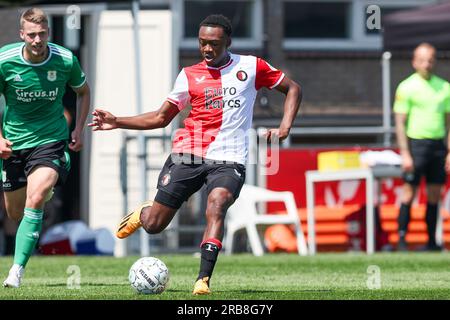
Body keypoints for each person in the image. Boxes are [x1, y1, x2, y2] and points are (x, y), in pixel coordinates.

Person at [89, 14, 301, 294]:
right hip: (189, 152)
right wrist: (117, 121)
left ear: (228, 42)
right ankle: (144, 212)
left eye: (213, 43)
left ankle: (203, 279)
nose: (207, 49)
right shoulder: (189, 75)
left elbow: (293, 89)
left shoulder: (251, 67)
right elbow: (161, 117)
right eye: (202, 43)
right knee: (155, 225)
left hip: (230, 157)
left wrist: (285, 126)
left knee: (217, 203)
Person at [0, 8, 91, 287]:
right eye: (31, 35)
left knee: (36, 196)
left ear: (48, 33)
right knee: (15, 214)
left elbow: (83, 92)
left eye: (42, 34)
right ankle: (39, 193)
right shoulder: (5, 60)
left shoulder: (64, 59)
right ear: (22, 35)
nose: (37, 40)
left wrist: (78, 128)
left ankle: (16, 270)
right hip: (15, 143)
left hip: (50, 140)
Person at [394, 42, 450, 252]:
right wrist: (405, 153)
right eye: (422, 60)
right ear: (414, 62)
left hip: (437, 146)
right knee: (409, 192)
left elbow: (449, 123)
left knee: (434, 194)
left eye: (430, 60)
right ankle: (401, 241)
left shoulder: (444, 87)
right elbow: (400, 123)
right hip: (416, 145)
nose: (427, 64)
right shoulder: (406, 87)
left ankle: (431, 242)